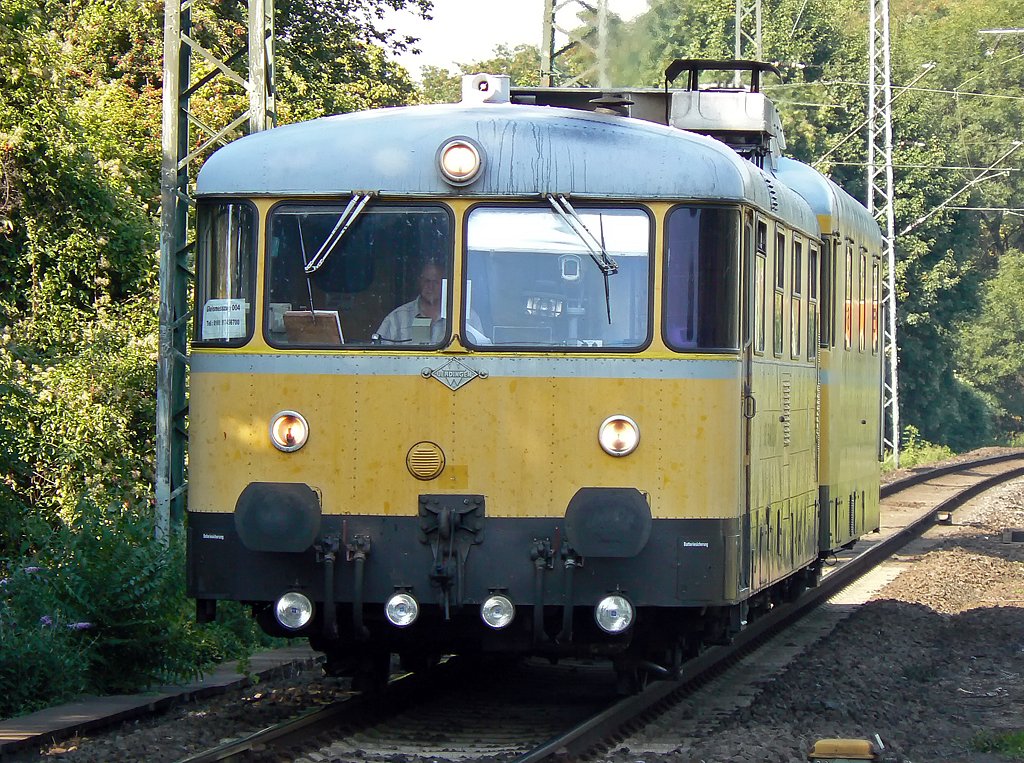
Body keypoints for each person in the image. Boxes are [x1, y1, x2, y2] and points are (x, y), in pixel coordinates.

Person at [376, 261, 490, 344]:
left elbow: (480, 355)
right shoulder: (397, 318)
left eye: (435, 282)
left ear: (445, 284)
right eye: (426, 281)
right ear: (419, 282)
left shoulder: (466, 317)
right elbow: (377, 357)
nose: (430, 287)